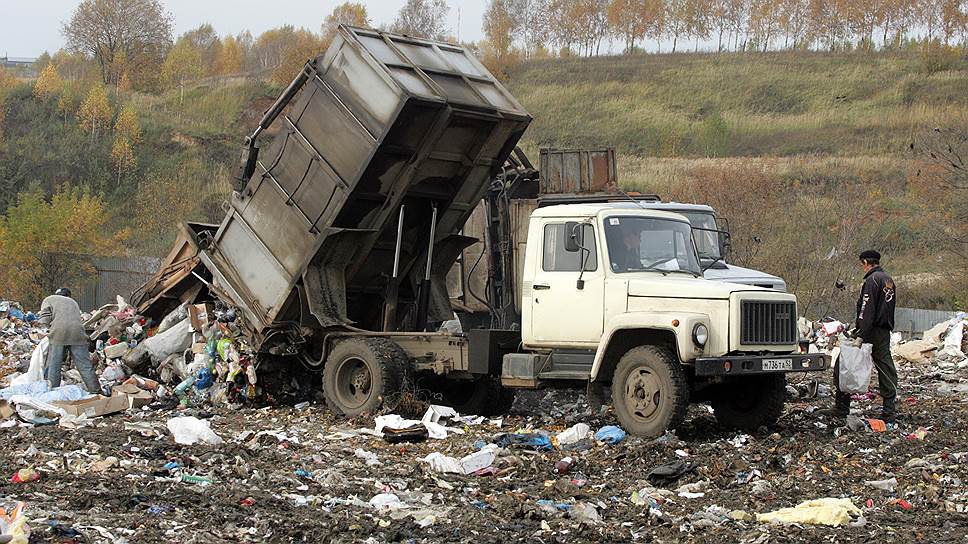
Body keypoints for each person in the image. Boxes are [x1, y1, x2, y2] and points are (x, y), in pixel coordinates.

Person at [821, 250, 898, 422]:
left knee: (844, 363)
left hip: (870, 330)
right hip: (883, 331)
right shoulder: (888, 280)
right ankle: (889, 410)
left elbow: (866, 308)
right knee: (885, 368)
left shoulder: (872, 281)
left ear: (865, 262)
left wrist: (861, 334)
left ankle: (842, 407)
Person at [37, 288, 100, 393]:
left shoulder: (49, 299)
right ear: (68, 295)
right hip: (78, 333)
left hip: (59, 333)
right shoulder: (73, 302)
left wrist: (45, 328)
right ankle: (96, 391)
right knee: (85, 366)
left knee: (54, 365)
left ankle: (53, 393)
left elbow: (44, 319)